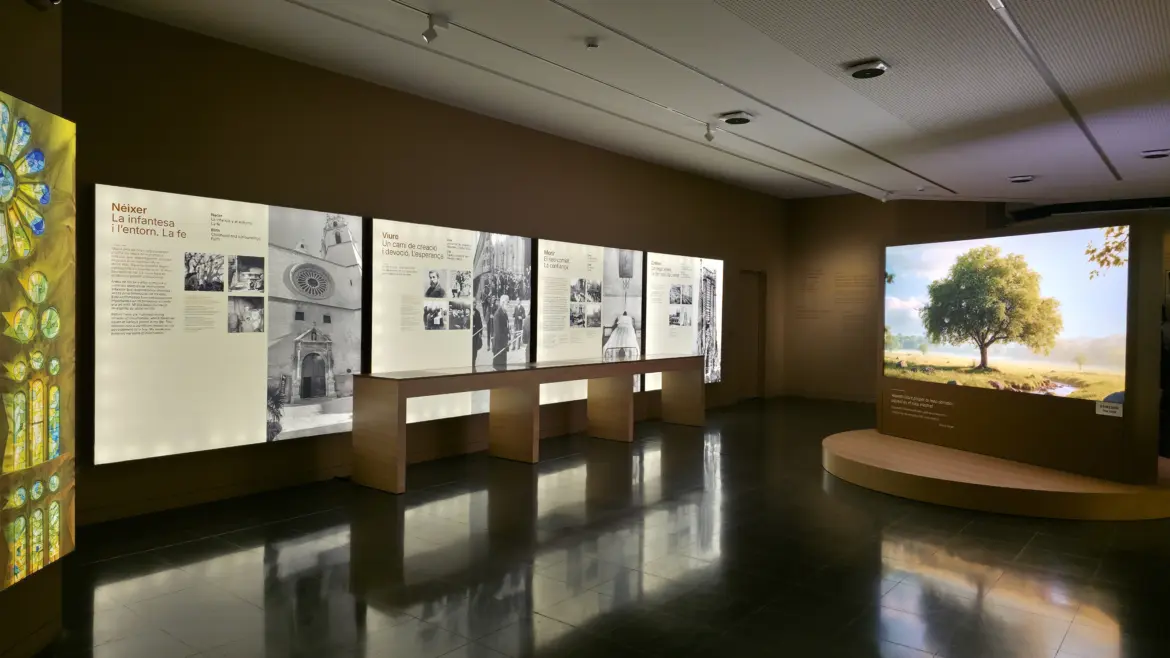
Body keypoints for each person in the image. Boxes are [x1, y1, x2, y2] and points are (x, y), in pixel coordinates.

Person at [493, 294, 511, 366]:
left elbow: (505, 328)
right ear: (503, 302)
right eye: (508, 302)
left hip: (503, 346)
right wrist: (505, 343)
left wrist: (508, 338)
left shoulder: (504, 313)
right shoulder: (498, 315)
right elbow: (498, 334)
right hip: (499, 347)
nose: (509, 304)